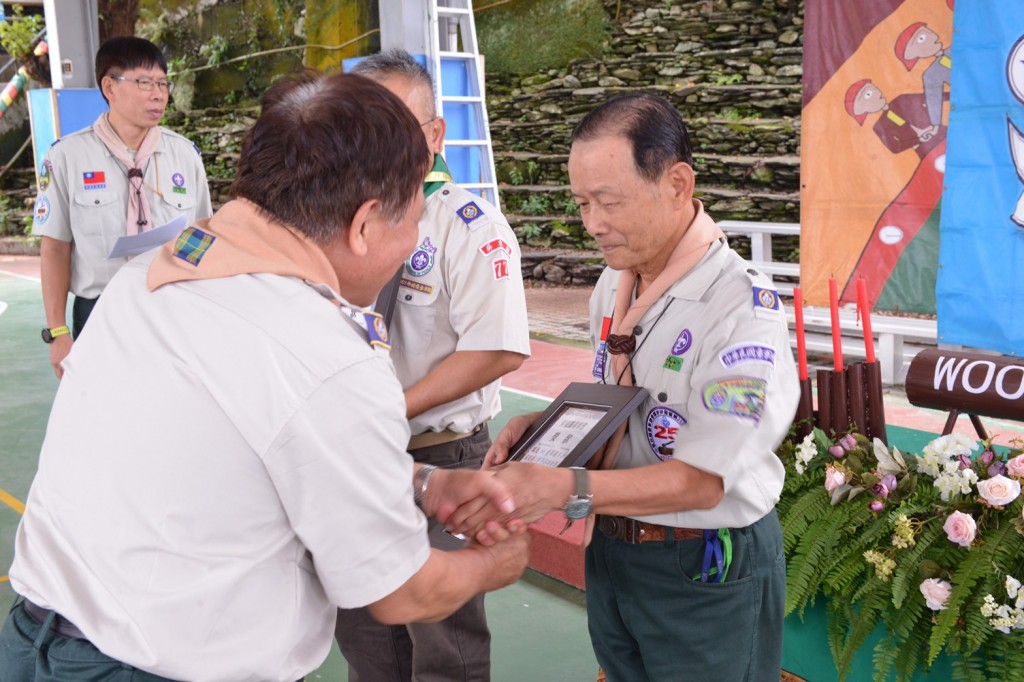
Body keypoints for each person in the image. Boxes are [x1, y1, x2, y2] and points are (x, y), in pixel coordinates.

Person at [0, 71, 530, 682]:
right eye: (410, 220)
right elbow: (400, 591)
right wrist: (500, 561)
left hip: (35, 641)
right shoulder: (327, 354)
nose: (414, 239)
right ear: (363, 226)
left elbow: (240, 444)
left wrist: (420, 481)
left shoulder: (149, 277)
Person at [484, 93, 799, 681]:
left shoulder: (739, 307)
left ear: (677, 184)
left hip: (704, 563)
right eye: (581, 203)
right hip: (614, 549)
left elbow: (702, 481)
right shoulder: (615, 284)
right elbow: (621, 397)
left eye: (608, 202)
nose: (591, 224)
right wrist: (551, 426)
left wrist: (562, 484)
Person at [334, 49, 531, 682]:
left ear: (435, 135)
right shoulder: (339, 229)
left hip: (443, 458)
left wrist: (393, 407)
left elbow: (497, 347)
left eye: (397, 124)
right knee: (364, 630)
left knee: (445, 644)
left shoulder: (470, 227)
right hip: (361, 458)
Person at [31, 36, 212, 379]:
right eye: (144, 83)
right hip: (99, 310)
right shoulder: (67, 156)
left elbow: (202, 235)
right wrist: (57, 332)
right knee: (102, 414)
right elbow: (54, 247)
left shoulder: (184, 155)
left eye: (162, 83)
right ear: (109, 87)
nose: (159, 94)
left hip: (173, 306)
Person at [844, 79, 945, 159]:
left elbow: (931, 97)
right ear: (864, 110)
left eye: (873, 88)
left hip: (942, 132)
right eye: (868, 95)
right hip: (926, 151)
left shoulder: (902, 100)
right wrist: (917, 140)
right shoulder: (879, 126)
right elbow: (895, 147)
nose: (877, 92)